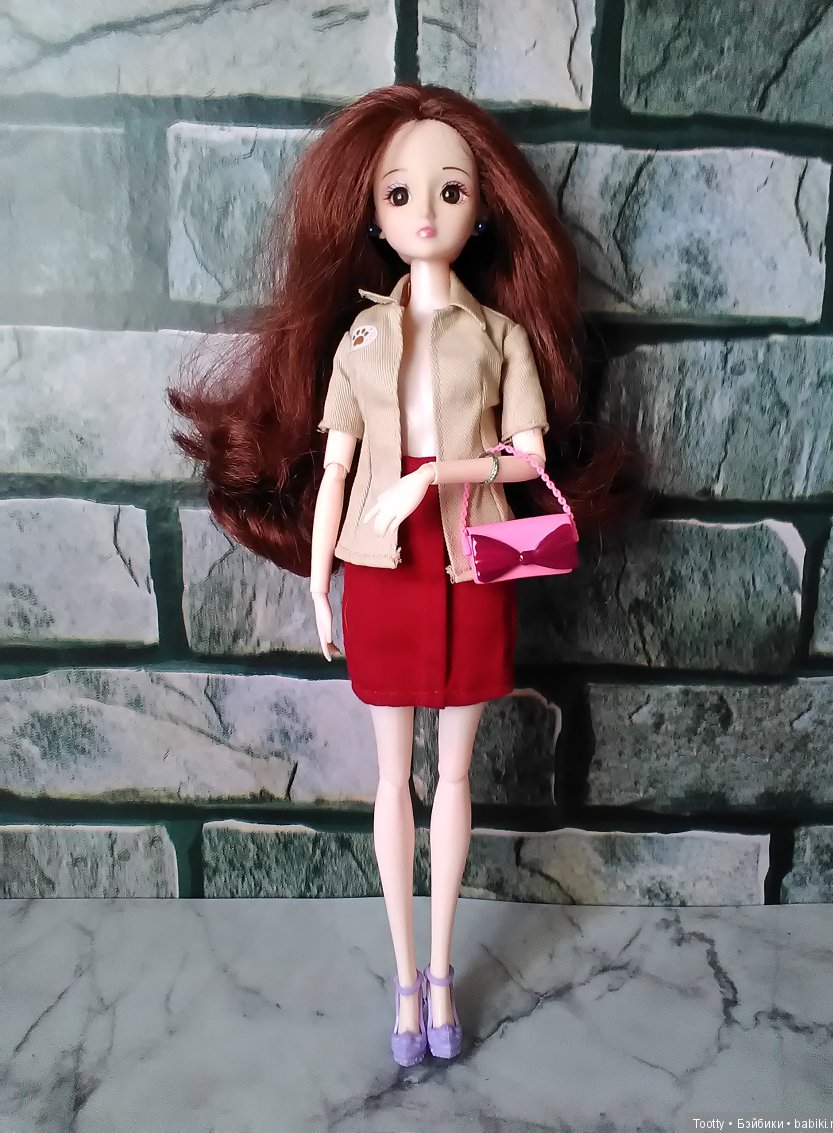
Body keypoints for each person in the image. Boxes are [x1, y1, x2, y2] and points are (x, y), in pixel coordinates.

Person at [168, 83, 644, 1067]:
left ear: (484, 208)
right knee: (393, 778)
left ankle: (441, 968)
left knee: (455, 774)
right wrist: (315, 580)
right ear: (371, 216)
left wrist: (433, 475)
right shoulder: (360, 339)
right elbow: (338, 467)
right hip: (381, 567)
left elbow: (525, 458)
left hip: (470, 556)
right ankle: (404, 978)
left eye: (450, 190)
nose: (424, 212)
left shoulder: (500, 337)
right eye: (398, 194)